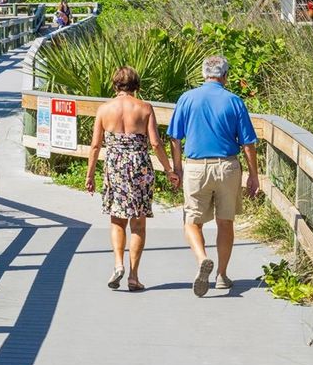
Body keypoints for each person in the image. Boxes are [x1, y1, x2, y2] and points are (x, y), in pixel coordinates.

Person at [167, 56, 260, 297]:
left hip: (196, 167)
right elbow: (248, 143)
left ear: (203, 74)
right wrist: (253, 175)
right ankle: (221, 275)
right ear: (225, 75)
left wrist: (177, 168)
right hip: (227, 166)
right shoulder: (234, 101)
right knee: (225, 221)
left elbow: (175, 138)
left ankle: (201, 258)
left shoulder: (187, 98)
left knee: (192, 221)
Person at [86, 67, 179, 291]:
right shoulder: (145, 108)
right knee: (138, 223)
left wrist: (90, 175)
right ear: (137, 85)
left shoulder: (104, 109)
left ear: (115, 85)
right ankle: (134, 276)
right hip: (139, 166)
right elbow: (156, 143)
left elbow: (96, 145)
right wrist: (169, 170)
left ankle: (118, 264)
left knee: (117, 220)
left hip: (115, 166)